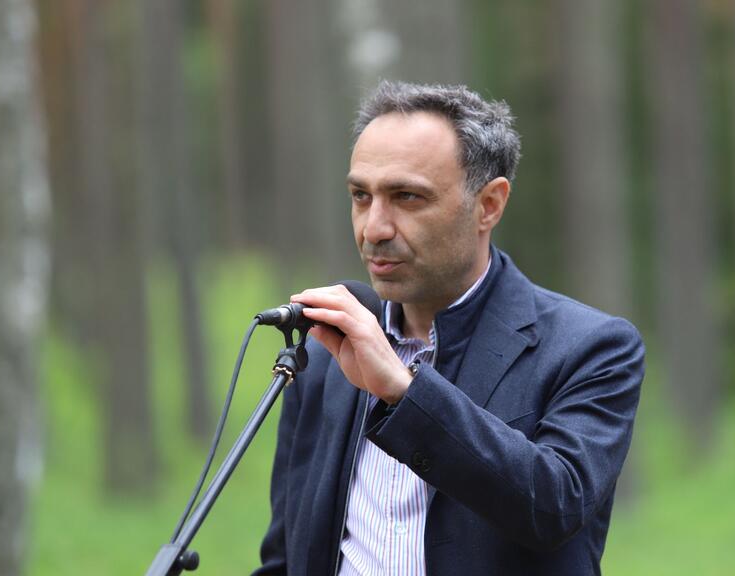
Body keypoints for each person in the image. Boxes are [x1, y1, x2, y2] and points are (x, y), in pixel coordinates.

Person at [253, 80, 645, 576]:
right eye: (361, 196)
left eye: (407, 197)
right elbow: (286, 557)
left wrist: (403, 391)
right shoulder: (326, 349)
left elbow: (555, 505)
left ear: (489, 205)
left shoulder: (591, 346)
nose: (374, 228)